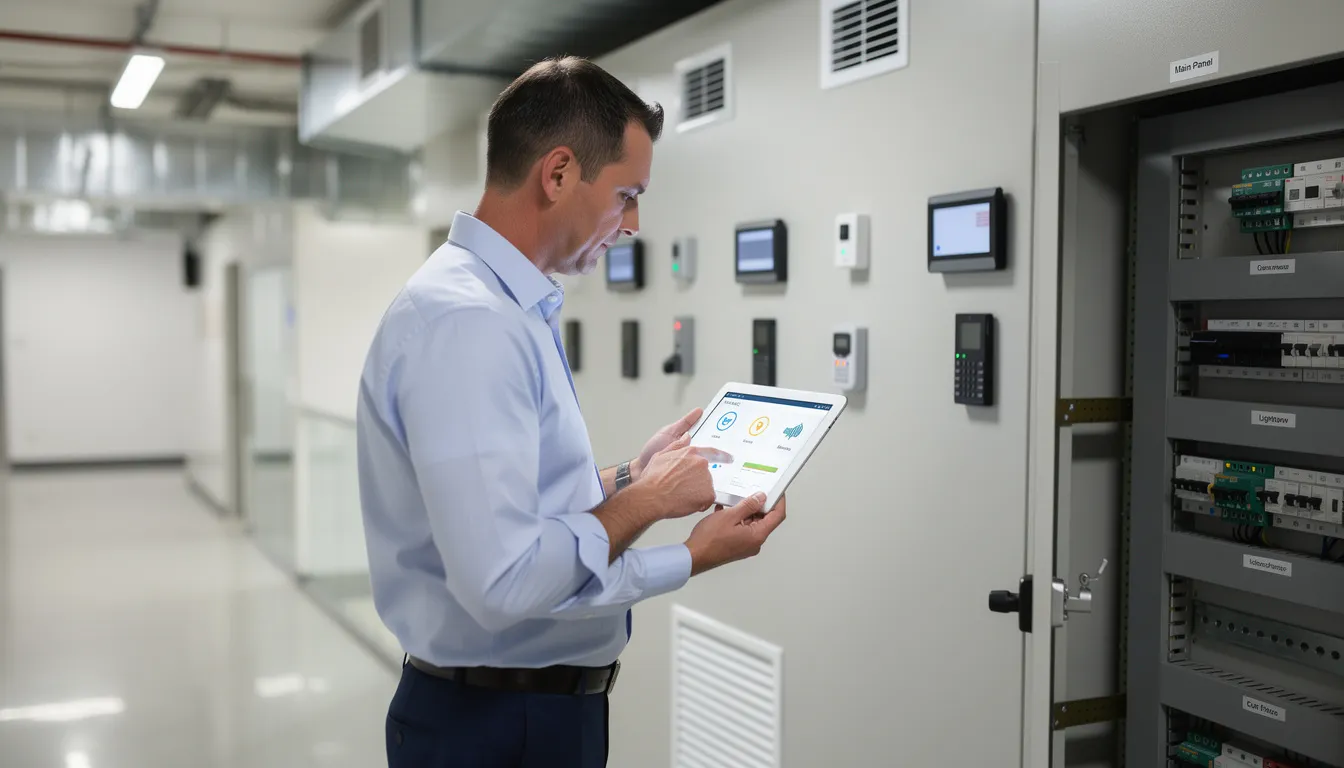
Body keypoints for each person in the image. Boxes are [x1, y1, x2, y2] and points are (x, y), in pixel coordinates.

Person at [356, 56, 788, 768]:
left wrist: (627, 478)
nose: (635, 223)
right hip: (495, 724)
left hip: (519, 711)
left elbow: (516, 502)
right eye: (627, 194)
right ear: (557, 174)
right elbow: (503, 582)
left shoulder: (499, 307)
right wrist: (673, 535)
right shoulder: (468, 321)